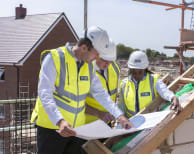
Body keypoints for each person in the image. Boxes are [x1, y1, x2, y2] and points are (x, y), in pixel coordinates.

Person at [30, 26, 133, 154]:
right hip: (52, 129)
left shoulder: (89, 67)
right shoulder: (55, 58)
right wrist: (60, 121)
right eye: (96, 53)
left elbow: (101, 94)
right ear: (84, 48)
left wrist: (120, 116)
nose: (97, 58)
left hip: (76, 130)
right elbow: (45, 93)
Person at [119, 51, 182, 118]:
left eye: (140, 72)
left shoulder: (153, 80)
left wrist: (173, 98)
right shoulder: (124, 84)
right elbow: (122, 107)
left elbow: (164, 91)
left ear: (145, 69)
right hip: (132, 122)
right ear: (130, 70)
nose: (137, 75)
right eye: (134, 72)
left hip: (149, 121)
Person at [85, 39, 120, 124]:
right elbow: (74, 103)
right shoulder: (83, 71)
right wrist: (98, 113)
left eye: (111, 59)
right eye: (104, 59)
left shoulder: (115, 68)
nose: (108, 63)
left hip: (106, 124)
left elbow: (113, 95)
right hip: (85, 125)